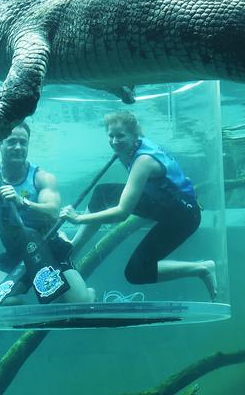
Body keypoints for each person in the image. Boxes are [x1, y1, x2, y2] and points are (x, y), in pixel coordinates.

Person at [59, 111, 217, 300]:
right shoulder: (130, 149)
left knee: (136, 272)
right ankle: (73, 249)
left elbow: (122, 213)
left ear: (135, 135)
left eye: (120, 136)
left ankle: (201, 268)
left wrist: (78, 218)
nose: (115, 141)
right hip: (163, 203)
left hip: (183, 217)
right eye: (111, 136)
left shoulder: (143, 160)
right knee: (102, 193)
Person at [0, 121, 94, 306]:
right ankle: (22, 309)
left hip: (49, 249)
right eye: (11, 142)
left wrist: (22, 202)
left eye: (23, 142)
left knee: (79, 303)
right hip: (16, 254)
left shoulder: (42, 178)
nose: (18, 147)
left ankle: (87, 294)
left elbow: (53, 212)